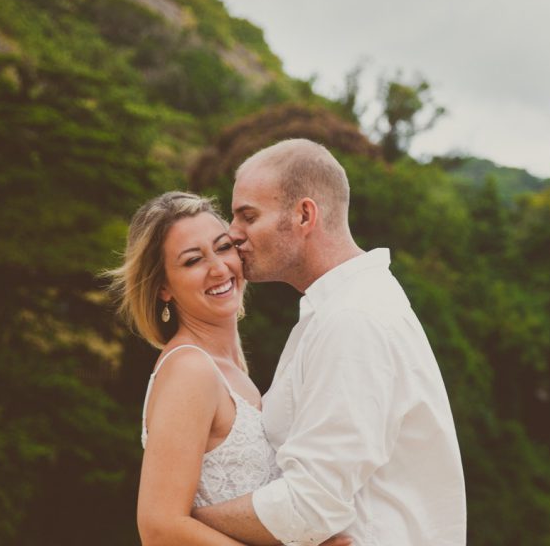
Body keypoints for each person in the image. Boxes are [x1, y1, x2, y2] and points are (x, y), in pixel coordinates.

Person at [189, 139, 467, 545]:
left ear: (304, 215)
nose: (233, 234)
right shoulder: (341, 308)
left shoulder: (352, 320)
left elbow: (310, 506)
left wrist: (184, 521)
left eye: (248, 216)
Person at [107, 192, 352, 546]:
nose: (219, 268)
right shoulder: (191, 370)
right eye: (193, 261)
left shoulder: (229, 368)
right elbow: (159, 528)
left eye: (223, 247)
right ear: (163, 288)